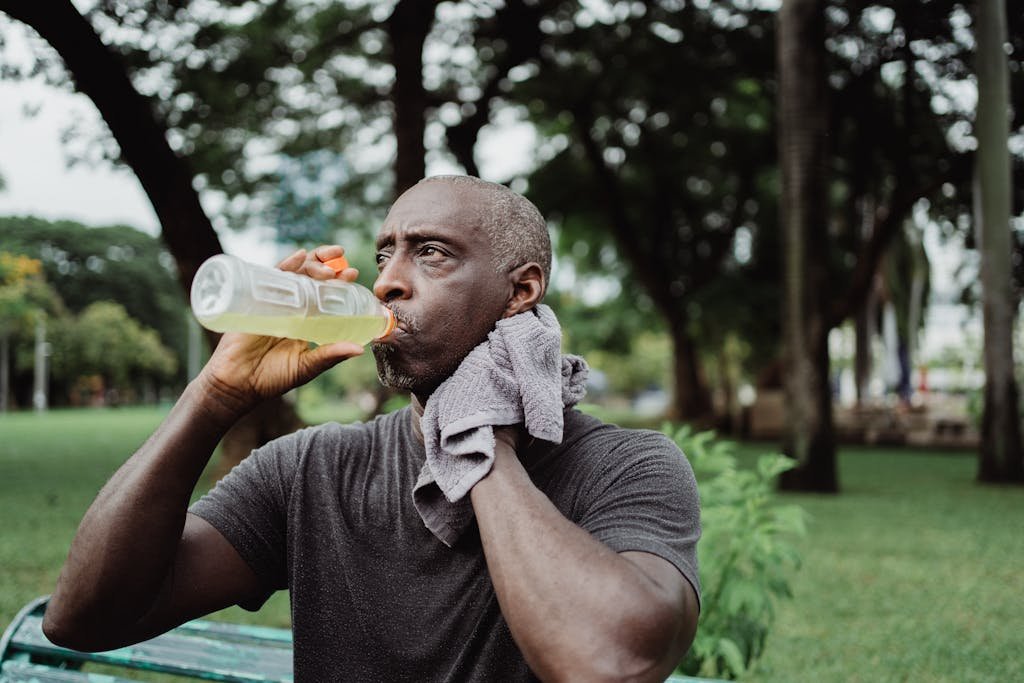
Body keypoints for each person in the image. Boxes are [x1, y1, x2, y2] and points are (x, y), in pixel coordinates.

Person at [43, 175, 702, 682]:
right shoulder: (310, 469)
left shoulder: (628, 466)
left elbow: (610, 661)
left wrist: (478, 437)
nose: (387, 280)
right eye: (386, 254)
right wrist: (213, 397)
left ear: (520, 292)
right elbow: (83, 618)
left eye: (432, 253)